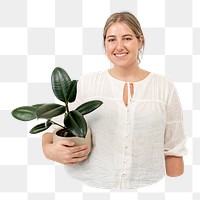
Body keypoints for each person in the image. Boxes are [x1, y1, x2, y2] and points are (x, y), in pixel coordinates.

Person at [42, 11, 188, 189]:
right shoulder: (88, 84)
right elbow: (54, 129)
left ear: (140, 40)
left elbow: (174, 147)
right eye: (111, 39)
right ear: (105, 44)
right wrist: (49, 151)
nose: (119, 46)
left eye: (127, 38)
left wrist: (178, 190)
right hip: (88, 187)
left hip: (148, 188)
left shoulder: (164, 87)